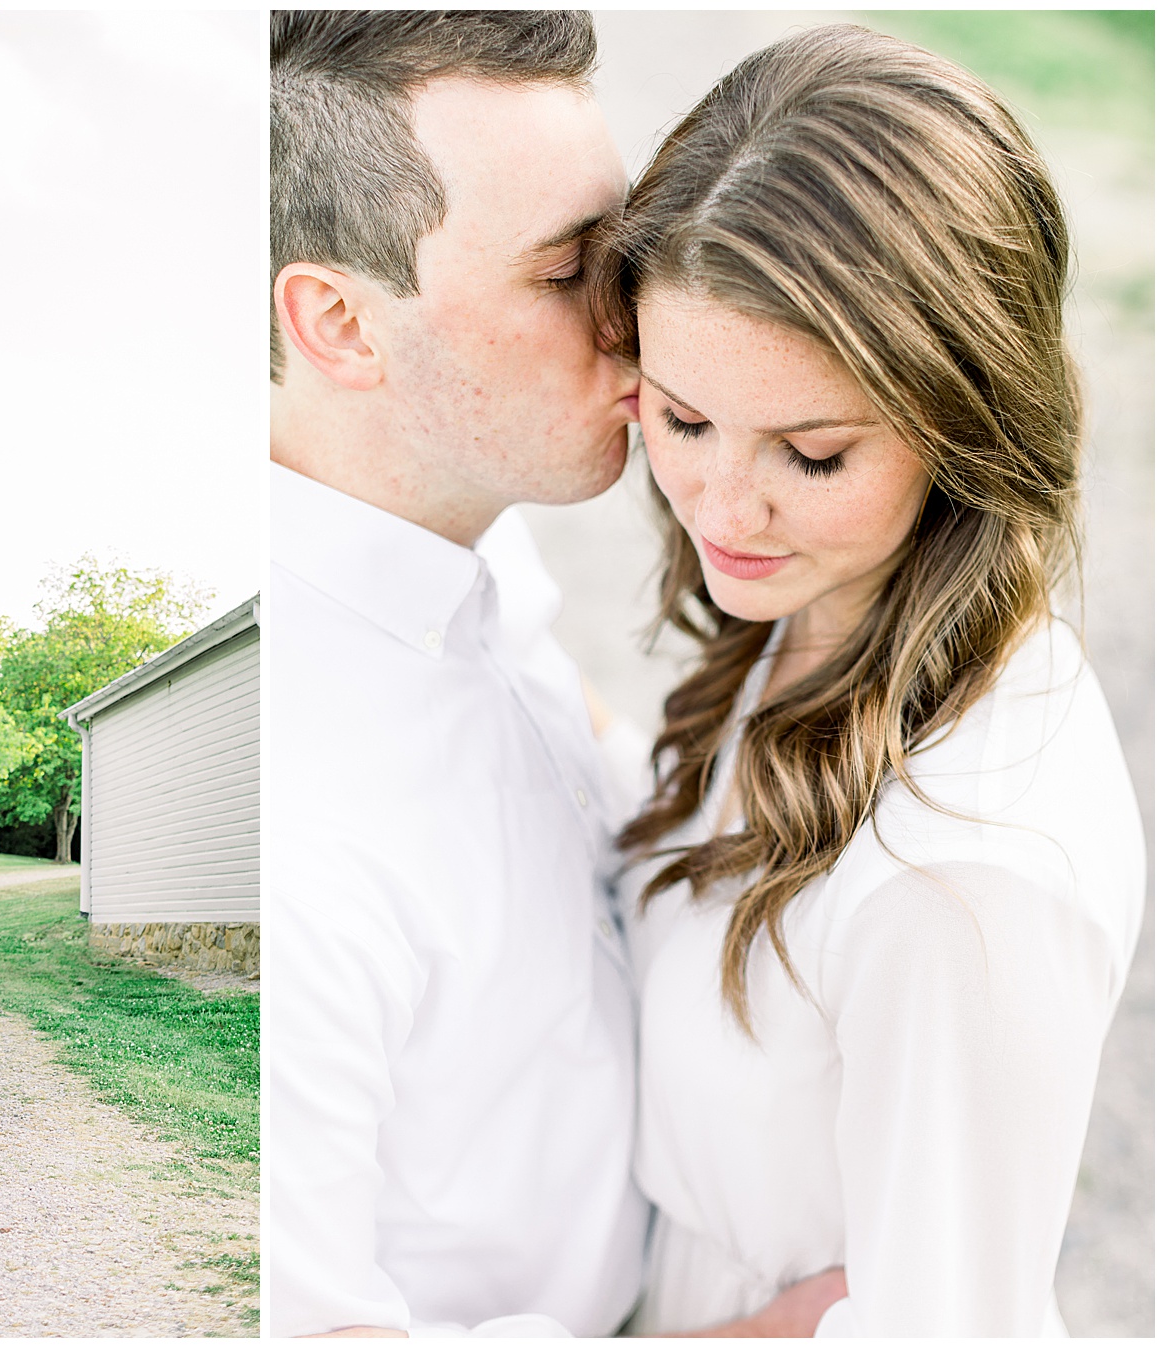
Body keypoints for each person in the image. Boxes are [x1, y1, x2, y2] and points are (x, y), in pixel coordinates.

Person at [269, 12, 837, 1337]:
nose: (641, 319)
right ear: (341, 323)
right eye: (569, 270)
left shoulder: (463, 539)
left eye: (628, 246)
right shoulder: (295, 839)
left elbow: (566, 762)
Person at [593, 24, 1146, 1335]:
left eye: (813, 453)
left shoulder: (959, 886)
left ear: (967, 419)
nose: (723, 505)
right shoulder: (825, 607)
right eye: (680, 418)